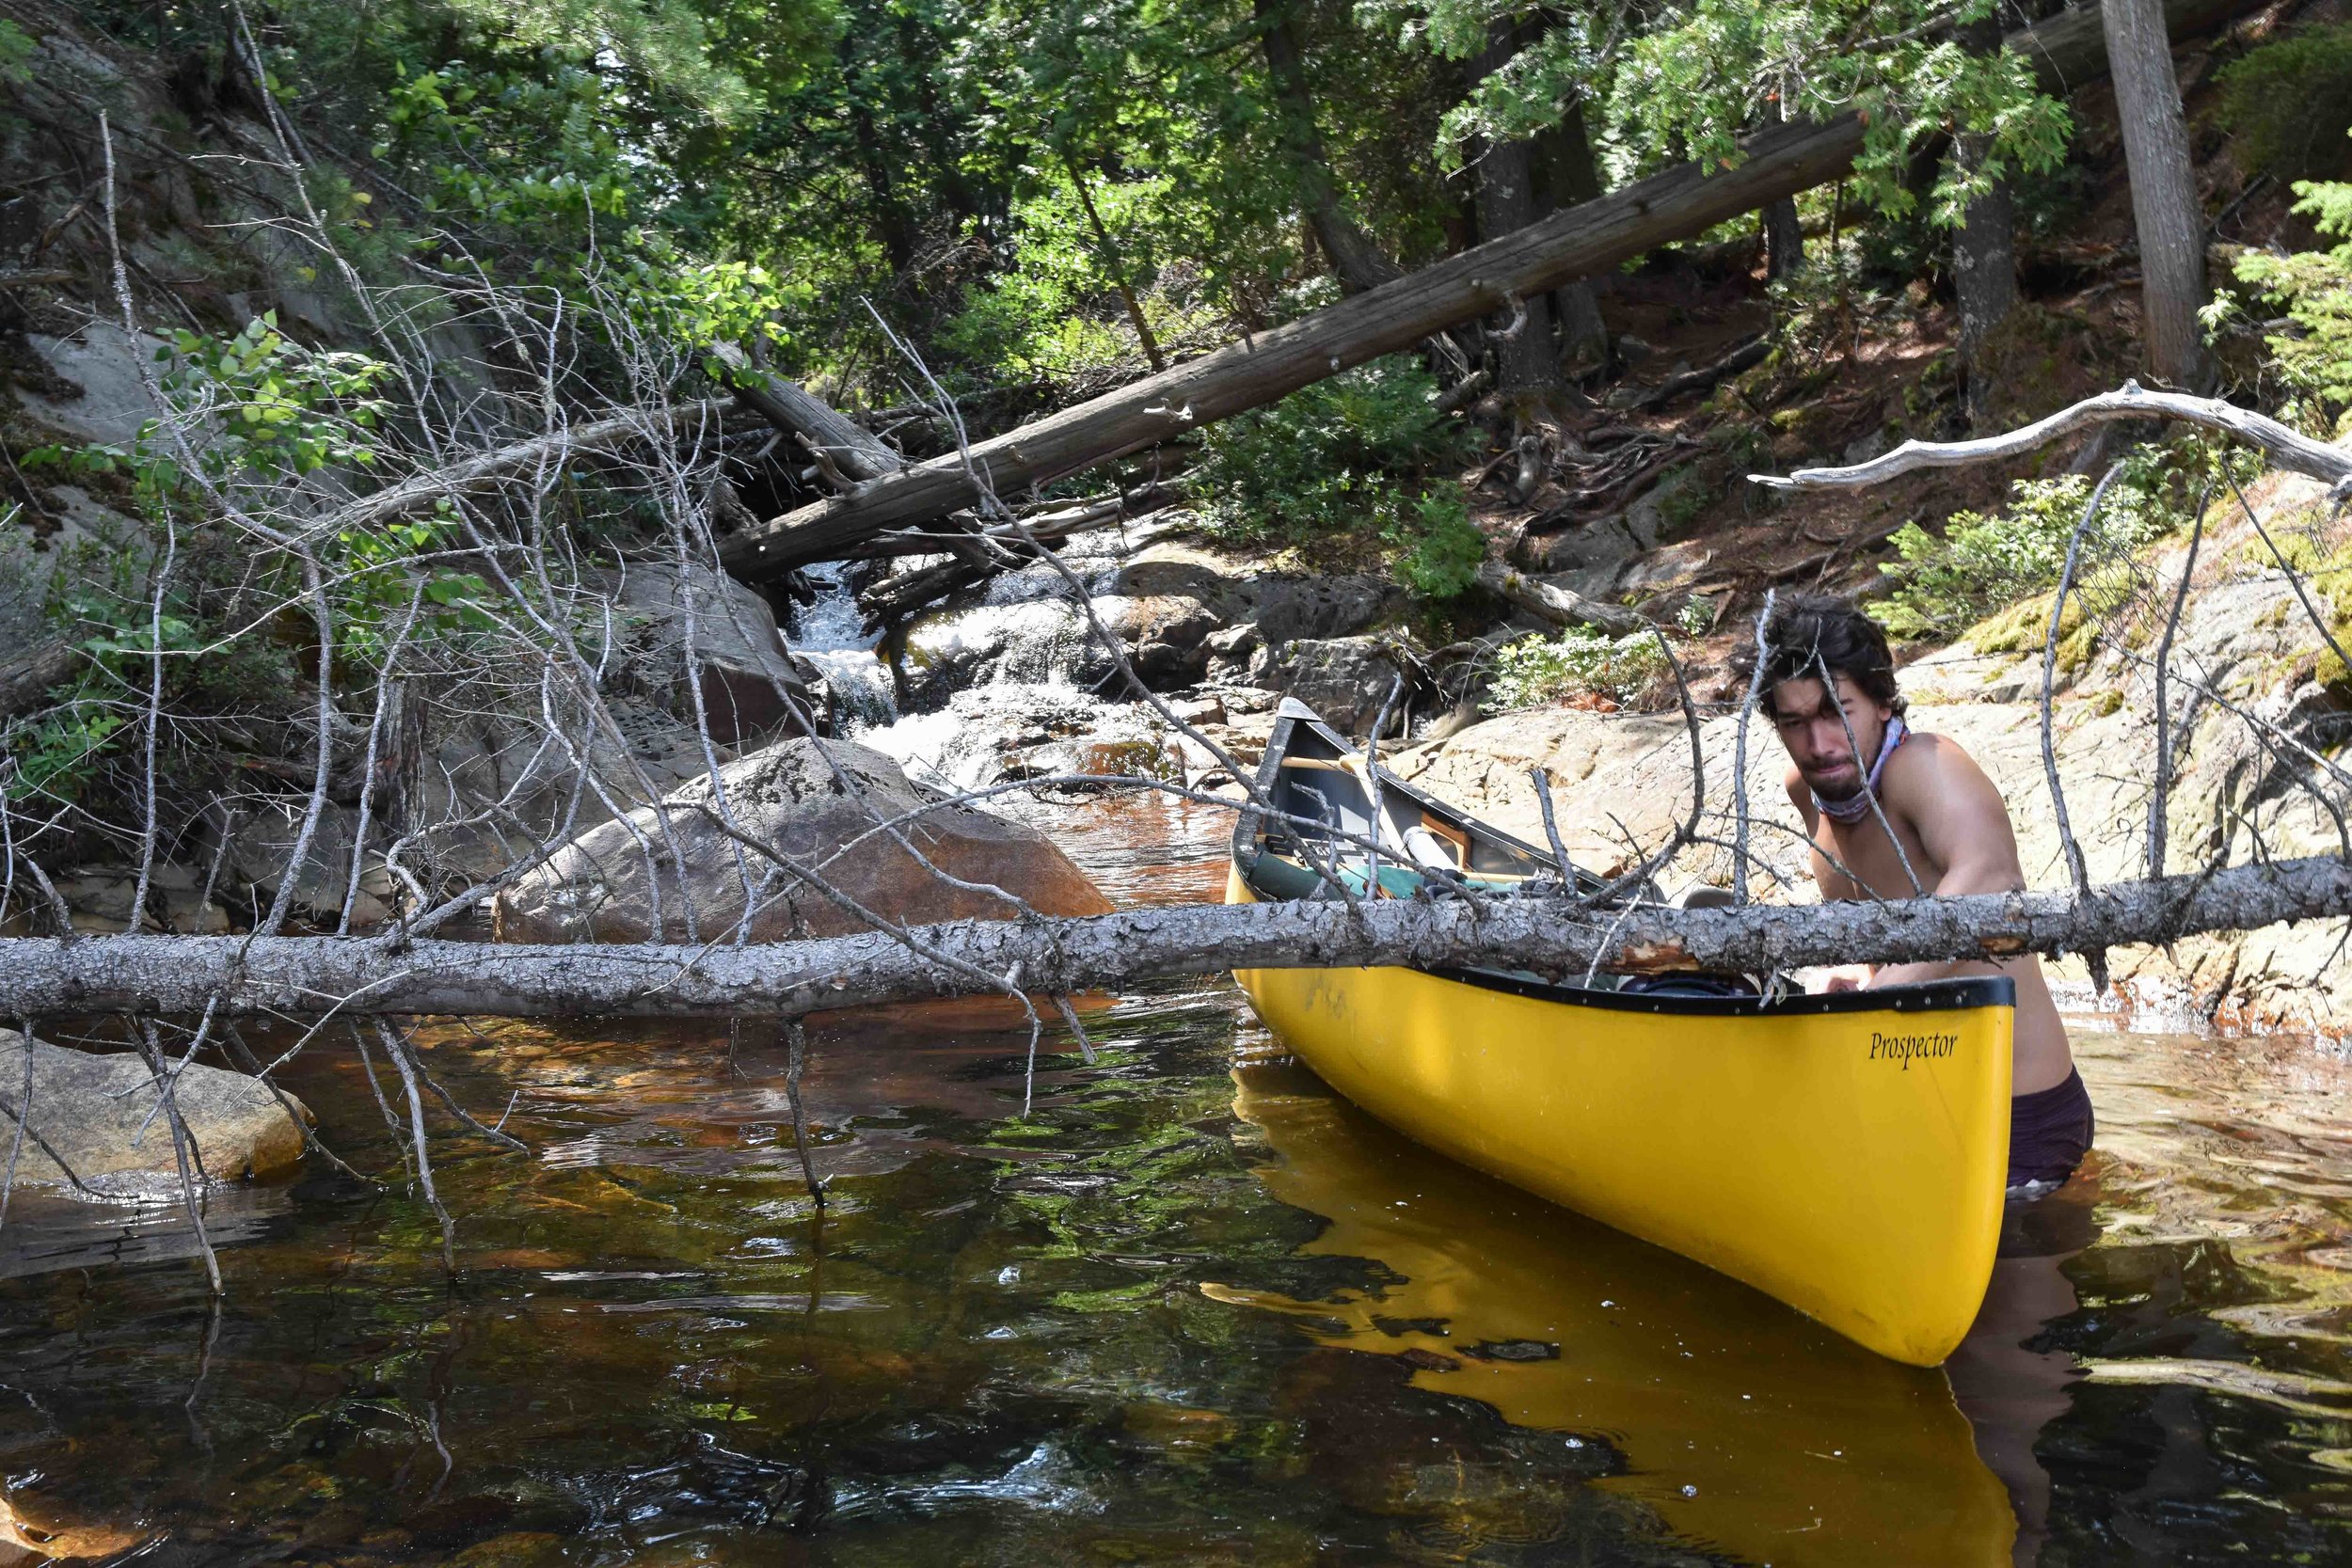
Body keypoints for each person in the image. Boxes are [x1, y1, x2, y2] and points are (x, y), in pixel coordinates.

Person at [1756, 594, 2092, 1193]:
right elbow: (1881, 930)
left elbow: (1990, 879)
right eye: (1795, 722)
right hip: (1909, 1104)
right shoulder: (1806, 792)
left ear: (1883, 703)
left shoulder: (1925, 766)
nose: (1818, 742)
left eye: (1838, 711)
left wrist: (1878, 995)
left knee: (2021, 1277)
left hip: (2018, 1113)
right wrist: (1862, 979)